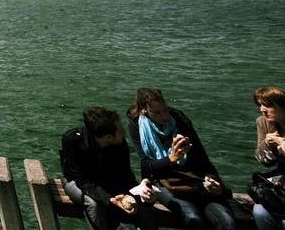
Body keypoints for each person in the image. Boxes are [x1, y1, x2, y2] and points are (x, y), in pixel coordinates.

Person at [126, 87, 233, 230]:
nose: (163, 116)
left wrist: (213, 178)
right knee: (194, 221)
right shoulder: (136, 126)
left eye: (165, 110)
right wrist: (172, 158)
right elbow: (147, 166)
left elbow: (201, 157)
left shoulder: (177, 118)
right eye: (156, 113)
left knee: (226, 222)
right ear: (144, 111)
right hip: (165, 182)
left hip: (195, 180)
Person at [61, 106, 159, 230]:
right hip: (75, 182)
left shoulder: (119, 143)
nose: (123, 131)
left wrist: (142, 192)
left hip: (106, 183)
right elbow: (82, 181)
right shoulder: (72, 140)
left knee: (147, 211)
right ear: (107, 137)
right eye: (120, 129)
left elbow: (125, 176)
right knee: (93, 204)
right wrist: (109, 199)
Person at [253, 86, 285, 230]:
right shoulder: (264, 122)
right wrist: (267, 144)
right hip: (282, 180)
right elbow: (263, 161)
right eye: (260, 105)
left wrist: (281, 142)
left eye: (267, 105)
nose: (262, 110)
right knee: (259, 211)